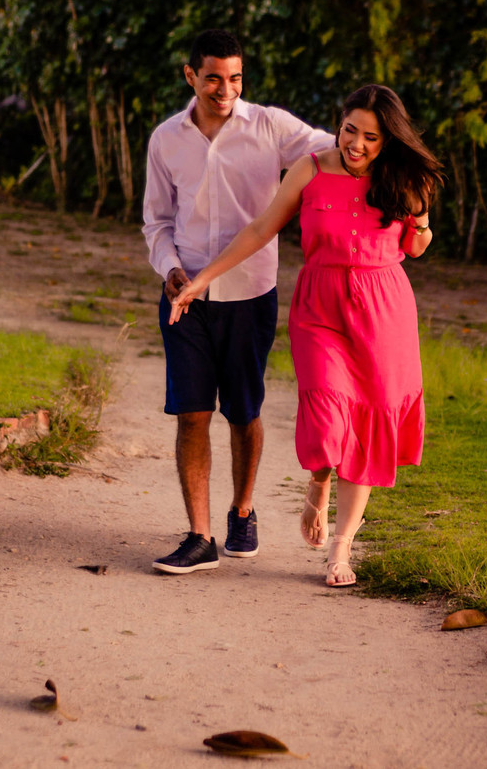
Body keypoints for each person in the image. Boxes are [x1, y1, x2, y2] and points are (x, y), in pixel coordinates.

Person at [170, 83, 443, 586]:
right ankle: (319, 479)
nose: (356, 144)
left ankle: (341, 550)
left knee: (369, 423)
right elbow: (260, 229)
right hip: (321, 306)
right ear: (339, 124)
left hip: (384, 309)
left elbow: (416, 247)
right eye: (350, 130)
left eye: (371, 138)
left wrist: (422, 222)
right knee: (326, 410)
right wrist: (203, 280)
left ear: (388, 140)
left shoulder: (405, 178)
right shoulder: (311, 169)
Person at [142, 29, 335, 574]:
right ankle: (199, 537)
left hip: (250, 295)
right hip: (185, 298)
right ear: (190, 76)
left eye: (235, 78)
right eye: (213, 79)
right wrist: (170, 269)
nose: (225, 90)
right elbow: (156, 221)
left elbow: (338, 150)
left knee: (244, 413)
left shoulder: (270, 127)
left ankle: (242, 511)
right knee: (191, 414)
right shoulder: (165, 139)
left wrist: (389, 160)